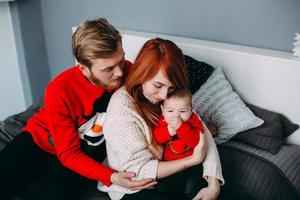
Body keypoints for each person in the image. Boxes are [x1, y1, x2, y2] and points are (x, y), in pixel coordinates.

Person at [0, 18, 157, 200]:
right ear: (83, 68)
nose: (120, 73)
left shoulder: (130, 73)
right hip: (39, 141)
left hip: (79, 153)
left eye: (120, 60)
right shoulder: (58, 90)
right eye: (108, 69)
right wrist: (111, 176)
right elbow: (68, 153)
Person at [98, 38, 224, 200]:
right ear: (142, 74)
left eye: (171, 87)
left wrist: (213, 185)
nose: (164, 95)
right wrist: (192, 160)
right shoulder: (122, 109)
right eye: (158, 86)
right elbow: (136, 173)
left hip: (173, 173)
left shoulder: (171, 97)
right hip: (137, 186)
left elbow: (203, 135)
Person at [154, 89, 203, 161]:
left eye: (182, 111)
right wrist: (169, 130)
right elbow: (156, 139)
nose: (176, 115)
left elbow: (195, 142)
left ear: (191, 110)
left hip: (191, 160)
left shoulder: (193, 120)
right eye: (170, 111)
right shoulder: (163, 121)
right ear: (162, 110)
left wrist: (181, 127)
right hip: (169, 162)